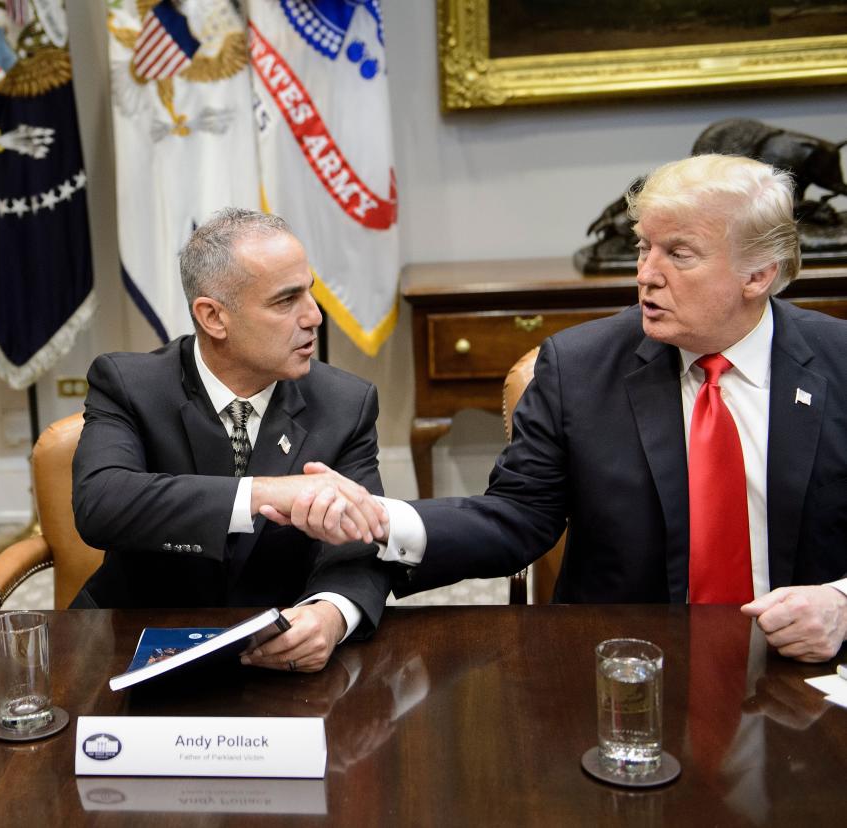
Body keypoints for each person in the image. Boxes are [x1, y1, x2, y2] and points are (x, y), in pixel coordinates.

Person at [270, 154, 847, 663]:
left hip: (804, 666)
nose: (646, 273)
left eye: (680, 254)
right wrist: (380, 518)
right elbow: (517, 518)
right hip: (628, 668)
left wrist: (842, 604)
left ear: (759, 275)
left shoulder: (838, 363)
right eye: (644, 247)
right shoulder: (579, 368)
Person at [71, 207, 390, 672]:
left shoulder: (345, 403)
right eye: (286, 301)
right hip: (134, 637)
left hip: (281, 654)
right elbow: (102, 504)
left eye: (310, 293)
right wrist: (262, 493)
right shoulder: (129, 384)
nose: (314, 317)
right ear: (213, 317)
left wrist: (332, 614)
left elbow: (363, 541)